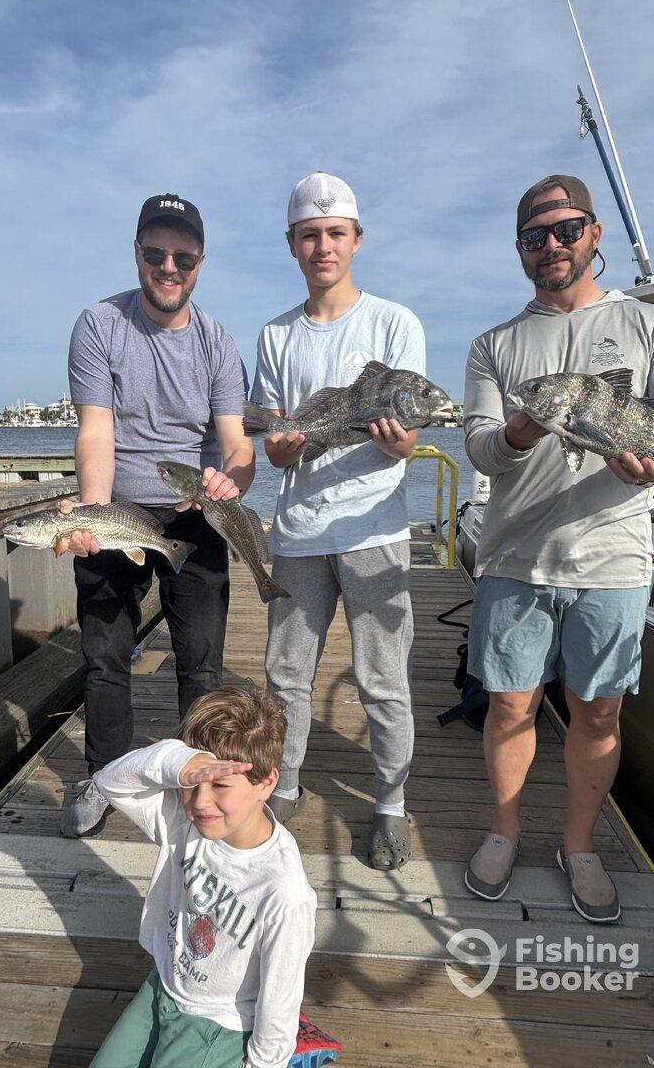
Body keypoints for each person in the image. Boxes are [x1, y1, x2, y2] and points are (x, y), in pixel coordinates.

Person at [463, 174, 654, 921]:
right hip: (513, 555)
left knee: (599, 714)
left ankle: (580, 845)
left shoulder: (651, 328)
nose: (552, 246)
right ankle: (504, 831)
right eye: (535, 236)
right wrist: (521, 430)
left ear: (594, 234)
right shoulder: (493, 344)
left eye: (567, 229)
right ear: (520, 250)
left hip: (614, 560)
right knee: (510, 707)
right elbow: (477, 447)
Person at [59, 192, 255, 837]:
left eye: (183, 257)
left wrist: (232, 479)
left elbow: (236, 442)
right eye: (155, 254)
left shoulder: (219, 343)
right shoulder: (98, 324)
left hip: (193, 513)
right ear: (138, 253)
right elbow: (95, 430)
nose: (168, 267)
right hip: (118, 505)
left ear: (200, 261)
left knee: (201, 661)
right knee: (104, 657)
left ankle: (193, 780)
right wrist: (93, 515)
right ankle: (105, 778)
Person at [251, 172, 425, 871]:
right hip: (297, 533)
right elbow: (271, 436)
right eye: (309, 235)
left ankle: (391, 806)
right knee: (285, 673)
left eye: (335, 234)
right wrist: (282, 446)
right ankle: (285, 783)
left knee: (383, 678)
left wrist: (396, 438)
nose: (323, 246)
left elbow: (411, 438)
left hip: (375, 531)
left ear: (356, 240)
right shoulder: (273, 335)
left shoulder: (394, 323)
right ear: (292, 245)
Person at [89, 685, 317, 1068]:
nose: (199, 801)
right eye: (192, 783)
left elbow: (280, 1001)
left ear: (267, 782)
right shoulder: (183, 820)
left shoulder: (284, 891)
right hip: (163, 986)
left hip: (219, 1023)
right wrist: (179, 761)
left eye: (220, 784)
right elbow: (111, 781)